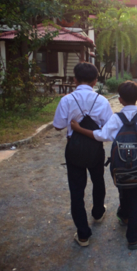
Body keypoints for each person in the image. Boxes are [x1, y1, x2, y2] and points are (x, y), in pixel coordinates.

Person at [71, 81, 137, 250]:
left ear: (120, 100)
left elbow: (100, 135)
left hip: (120, 168)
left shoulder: (116, 119)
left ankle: (124, 216)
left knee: (124, 190)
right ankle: (133, 239)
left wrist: (78, 129)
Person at [53, 62, 113, 247]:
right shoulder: (102, 101)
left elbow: (58, 125)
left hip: (74, 149)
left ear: (74, 80)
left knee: (76, 190)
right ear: (95, 81)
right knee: (98, 180)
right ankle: (97, 212)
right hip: (95, 147)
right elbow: (109, 129)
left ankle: (83, 234)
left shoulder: (67, 100)